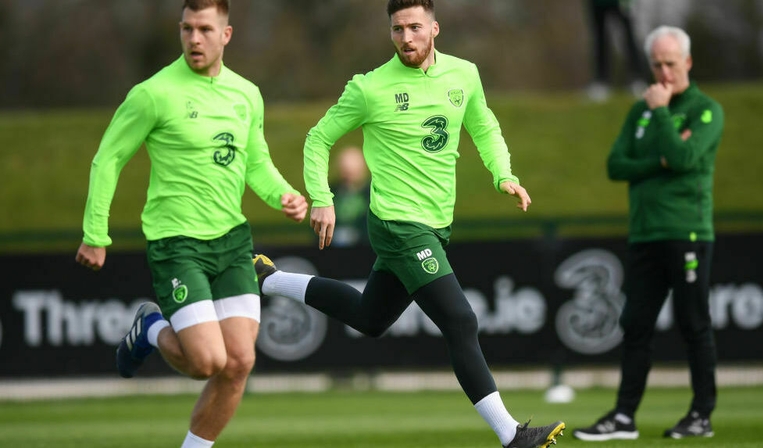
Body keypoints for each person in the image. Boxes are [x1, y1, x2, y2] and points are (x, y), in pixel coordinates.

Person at [255, 1, 565, 447]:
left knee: (369, 317)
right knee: (461, 321)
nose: (406, 37)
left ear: (434, 28)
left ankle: (268, 278)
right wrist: (322, 200)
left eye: (414, 27)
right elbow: (318, 137)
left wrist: (505, 175)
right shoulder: (370, 88)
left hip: (436, 223)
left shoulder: (464, 74)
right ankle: (512, 435)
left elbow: (485, 128)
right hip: (397, 223)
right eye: (397, 29)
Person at [74, 1, 307, 447]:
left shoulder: (246, 94)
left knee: (238, 361)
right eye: (187, 29)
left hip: (232, 242)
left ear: (227, 35)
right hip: (177, 243)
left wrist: (284, 195)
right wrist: (94, 234)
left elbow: (255, 162)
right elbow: (109, 158)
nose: (194, 39)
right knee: (206, 362)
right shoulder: (154, 93)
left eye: (204, 29)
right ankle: (151, 328)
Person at [572, 25, 724, 441]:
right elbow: (616, 165)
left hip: (687, 233)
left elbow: (685, 156)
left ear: (687, 62)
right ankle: (624, 416)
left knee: (694, 323)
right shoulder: (638, 111)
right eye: (656, 64)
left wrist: (661, 116)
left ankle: (701, 414)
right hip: (644, 235)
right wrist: (659, 160)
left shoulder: (704, 109)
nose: (662, 72)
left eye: (670, 63)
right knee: (636, 324)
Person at [584, 0, 647, 102]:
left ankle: (637, 79)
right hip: (597, 2)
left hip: (622, 2)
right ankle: (601, 82)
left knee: (628, 37)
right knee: (599, 38)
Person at [328, 145, 370, 247]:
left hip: (365, 249)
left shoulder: (373, 195)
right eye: (346, 171)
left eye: (352, 172)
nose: (348, 177)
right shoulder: (330, 192)